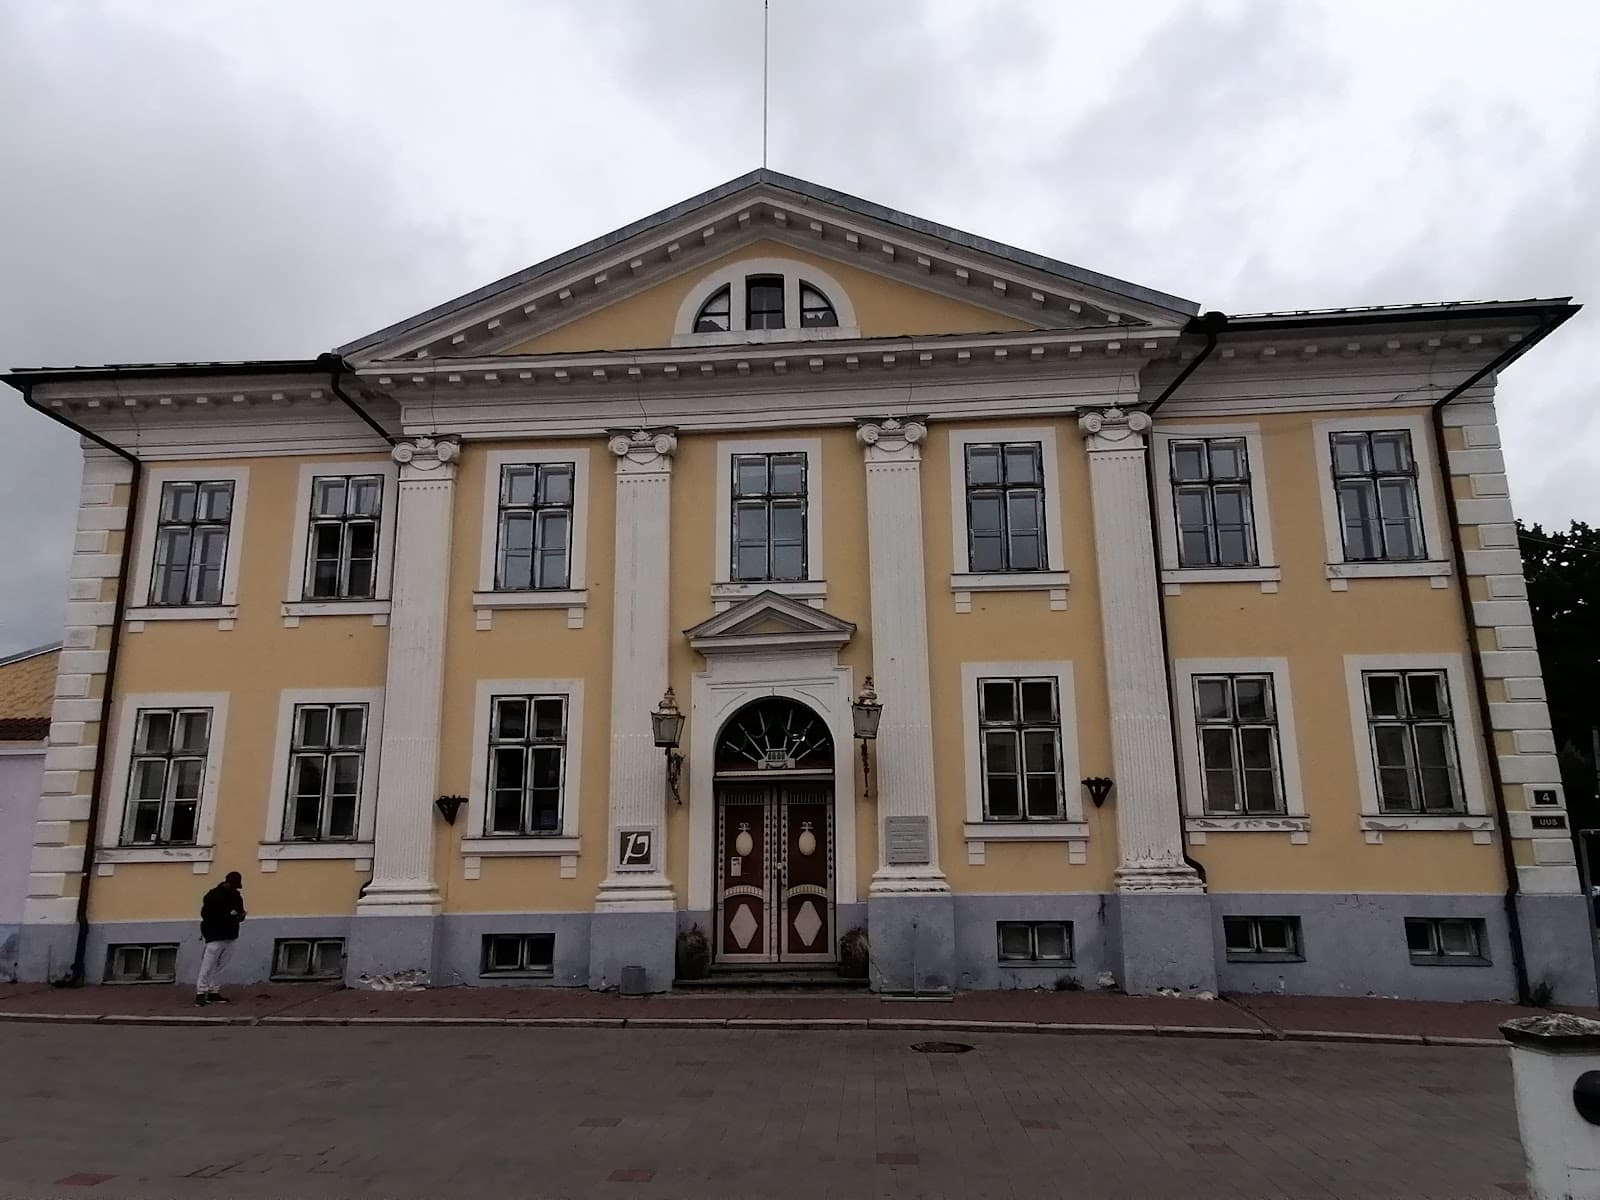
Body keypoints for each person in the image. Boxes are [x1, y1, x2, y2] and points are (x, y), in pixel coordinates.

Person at [195, 871, 246, 1006]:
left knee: (222, 965)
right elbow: (206, 915)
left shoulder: (236, 896)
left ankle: (213, 991)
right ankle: (200, 993)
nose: (235, 888)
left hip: (230, 934)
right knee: (208, 964)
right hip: (214, 935)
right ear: (227, 882)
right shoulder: (213, 896)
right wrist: (229, 916)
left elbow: (240, 911)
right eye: (234, 885)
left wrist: (240, 916)